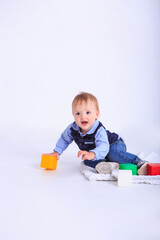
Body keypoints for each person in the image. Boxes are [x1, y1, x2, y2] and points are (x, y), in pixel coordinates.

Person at [45, 92, 148, 175]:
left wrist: (92, 153)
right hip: (97, 152)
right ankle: (111, 165)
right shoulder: (73, 129)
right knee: (87, 161)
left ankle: (139, 162)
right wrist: (56, 152)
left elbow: (104, 146)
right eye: (78, 113)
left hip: (114, 144)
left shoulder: (98, 130)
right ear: (73, 115)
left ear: (96, 114)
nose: (83, 117)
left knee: (113, 153)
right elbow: (64, 139)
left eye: (88, 112)